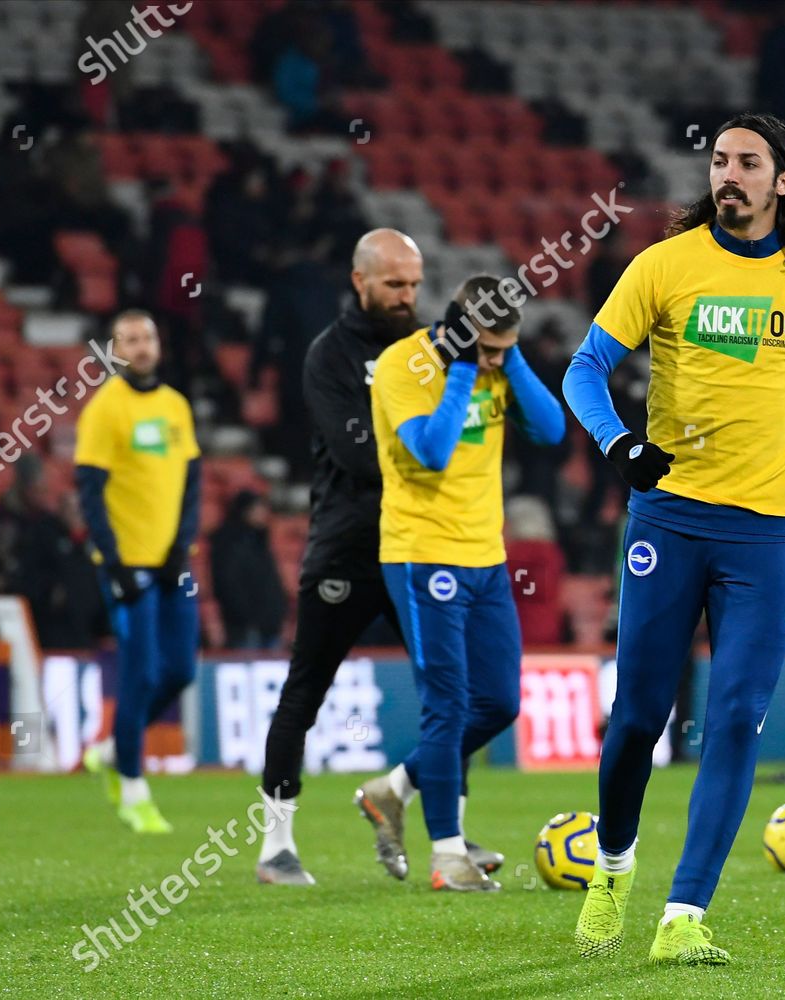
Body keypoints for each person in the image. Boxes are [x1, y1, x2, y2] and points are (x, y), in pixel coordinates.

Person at [562, 112, 785, 965]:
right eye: (720, 160)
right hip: (671, 519)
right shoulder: (665, 264)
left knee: (735, 719)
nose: (728, 174)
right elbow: (583, 368)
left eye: (747, 163)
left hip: (768, 534)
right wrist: (620, 444)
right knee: (637, 721)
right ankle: (612, 867)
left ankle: (684, 913)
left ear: (783, 182)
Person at [255, 230, 498, 885]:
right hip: (348, 548)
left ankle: (447, 833)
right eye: (394, 284)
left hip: (420, 546)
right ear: (360, 280)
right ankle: (276, 845)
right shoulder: (327, 356)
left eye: (415, 285)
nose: (407, 297)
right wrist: (422, 447)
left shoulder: (433, 349)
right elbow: (360, 453)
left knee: (456, 696)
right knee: (305, 692)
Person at [354, 273, 564, 892]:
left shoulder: (500, 361)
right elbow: (432, 451)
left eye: (507, 347)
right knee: (446, 704)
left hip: (485, 555)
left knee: (499, 701)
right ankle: (448, 856)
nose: (497, 359)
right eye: (489, 347)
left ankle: (393, 789)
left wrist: (510, 360)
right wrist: (464, 372)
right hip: (423, 554)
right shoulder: (403, 367)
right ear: (459, 330)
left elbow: (551, 432)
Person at [75, 310, 202, 834]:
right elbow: (89, 491)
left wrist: (182, 545)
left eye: (148, 336)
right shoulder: (106, 409)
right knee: (140, 672)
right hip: (127, 566)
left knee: (182, 672)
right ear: (115, 349)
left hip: (172, 561)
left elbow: (192, 482)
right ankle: (132, 787)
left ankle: (111, 748)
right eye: (130, 339)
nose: (142, 346)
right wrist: (113, 559)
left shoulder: (176, 406)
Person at [209, 490, 288, 649]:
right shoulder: (227, 542)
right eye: (258, 509)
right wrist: (244, 616)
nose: (263, 514)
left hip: (270, 624)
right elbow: (227, 583)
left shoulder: (261, 541)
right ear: (244, 511)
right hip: (244, 627)